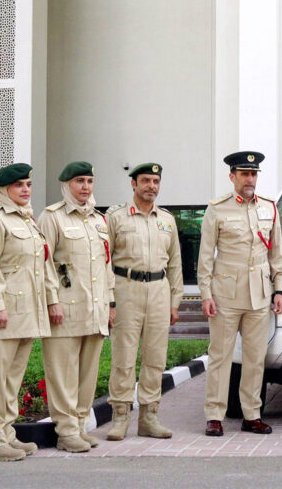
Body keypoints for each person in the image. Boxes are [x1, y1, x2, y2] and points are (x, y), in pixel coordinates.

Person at [0, 163, 60, 461]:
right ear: (4, 190)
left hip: (25, 313)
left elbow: (41, 266)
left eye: (29, 185)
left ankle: (5, 433)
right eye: (19, 185)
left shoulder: (28, 222)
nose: (26, 190)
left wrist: (49, 299)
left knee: (11, 379)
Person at [198, 151, 282, 437]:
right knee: (221, 356)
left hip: (259, 294)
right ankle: (215, 415)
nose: (250, 179)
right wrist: (206, 293)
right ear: (232, 176)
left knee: (255, 357)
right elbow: (206, 256)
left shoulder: (270, 208)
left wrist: (279, 289)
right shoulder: (218, 209)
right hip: (225, 294)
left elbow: (276, 254)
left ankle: (252, 414)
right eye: (244, 174)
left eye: (254, 174)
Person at [38, 162, 115, 452]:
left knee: (87, 373)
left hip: (94, 310)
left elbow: (106, 265)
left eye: (89, 181)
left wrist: (110, 302)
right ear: (66, 184)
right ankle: (66, 430)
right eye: (79, 181)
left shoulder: (99, 220)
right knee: (62, 372)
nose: (85, 187)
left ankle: (80, 425)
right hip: (65, 309)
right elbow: (43, 263)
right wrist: (51, 300)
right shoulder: (52, 217)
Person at [105, 163, 183, 441]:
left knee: (155, 357)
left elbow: (175, 263)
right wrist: (109, 301)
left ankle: (150, 417)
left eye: (156, 181)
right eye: (146, 180)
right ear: (133, 184)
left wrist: (175, 300)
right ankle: (120, 416)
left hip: (159, 290)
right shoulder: (116, 217)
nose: (152, 185)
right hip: (126, 288)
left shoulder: (167, 220)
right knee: (124, 356)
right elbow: (105, 260)